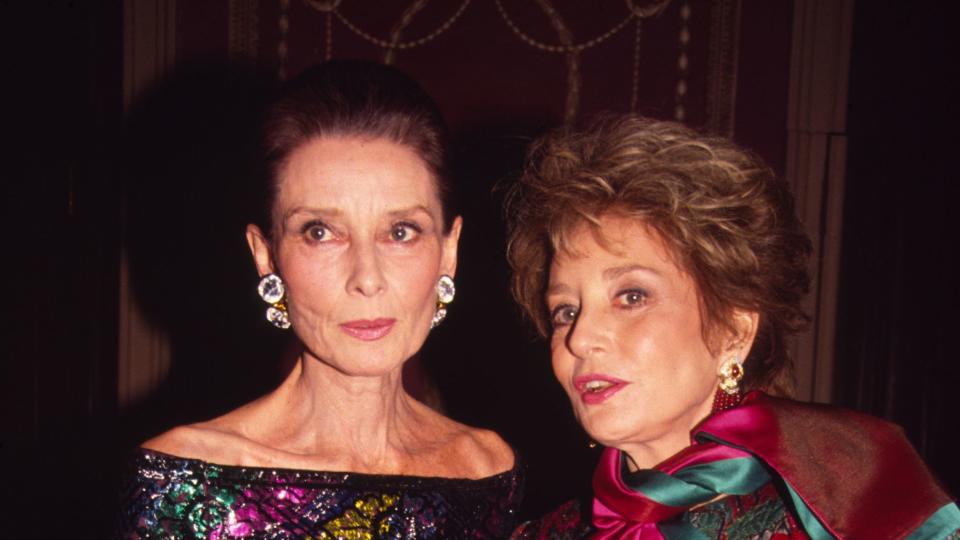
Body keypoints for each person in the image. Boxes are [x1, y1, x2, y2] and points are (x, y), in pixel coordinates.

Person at [505, 115, 959, 539]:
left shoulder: (854, 503)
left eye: (632, 297)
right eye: (565, 310)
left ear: (733, 331)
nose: (579, 338)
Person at [118, 61, 520, 539]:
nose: (367, 279)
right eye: (321, 232)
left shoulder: (485, 469)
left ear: (448, 251)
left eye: (400, 231)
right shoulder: (186, 483)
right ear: (266, 256)